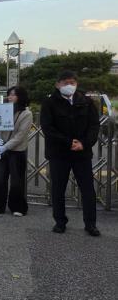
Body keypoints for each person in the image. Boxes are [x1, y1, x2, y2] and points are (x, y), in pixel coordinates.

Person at [40, 71, 101, 236]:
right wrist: (68, 142)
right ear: (57, 84)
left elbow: (94, 126)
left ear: (76, 84)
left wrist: (84, 143)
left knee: (87, 189)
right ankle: (60, 222)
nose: (69, 85)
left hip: (82, 153)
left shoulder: (86, 102)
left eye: (72, 82)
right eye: (65, 82)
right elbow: (47, 127)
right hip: (59, 153)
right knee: (58, 189)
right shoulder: (49, 103)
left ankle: (90, 224)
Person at [0, 86, 33, 216]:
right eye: (9, 94)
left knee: (17, 181)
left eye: (13, 94)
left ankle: (18, 207)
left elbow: (21, 135)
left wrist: (5, 146)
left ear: (21, 96)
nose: (10, 97)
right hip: (0, 149)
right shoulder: (3, 109)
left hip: (16, 151)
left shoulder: (26, 113)